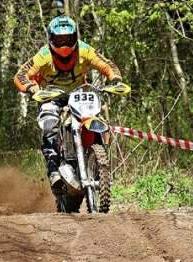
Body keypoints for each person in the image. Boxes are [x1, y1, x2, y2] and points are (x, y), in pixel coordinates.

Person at [14, 15, 123, 189]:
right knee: (49, 124)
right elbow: (20, 75)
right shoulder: (44, 55)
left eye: (68, 38)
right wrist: (33, 89)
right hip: (50, 96)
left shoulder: (85, 50)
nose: (64, 44)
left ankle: (98, 164)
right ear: (51, 39)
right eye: (59, 39)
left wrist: (115, 80)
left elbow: (107, 65)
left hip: (79, 94)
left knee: (97, 121)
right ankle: (53, 169)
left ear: (75, 37)